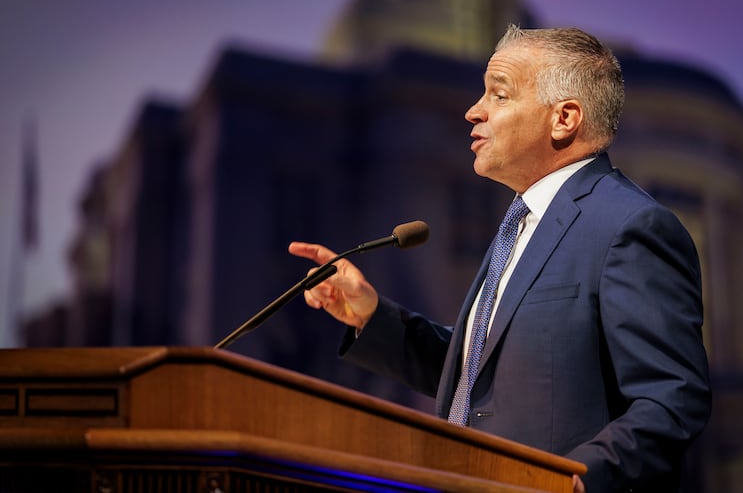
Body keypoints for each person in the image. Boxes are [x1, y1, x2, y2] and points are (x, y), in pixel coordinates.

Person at [289, 25, 711, 493]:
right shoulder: (522, 223)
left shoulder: (631, 227)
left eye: (499, 95)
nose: (474, 111)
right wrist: (371, 315)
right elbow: (478, 378)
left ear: (564, 118)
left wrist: (571, 482)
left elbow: (671, 398)